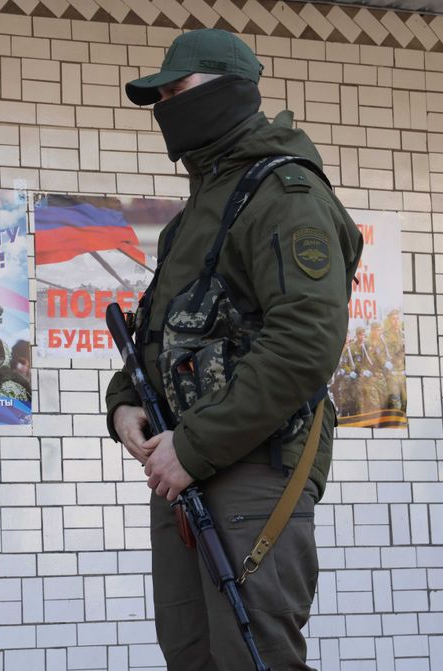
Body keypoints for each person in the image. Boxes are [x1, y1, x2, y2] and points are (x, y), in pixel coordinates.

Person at [104, 29, 363, 670]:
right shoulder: (198, 211)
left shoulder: (283, 194)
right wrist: (125, 404)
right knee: (192, 655)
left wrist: (195, 447)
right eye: (158, 95)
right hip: (183, 468)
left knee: (254, 657)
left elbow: (305, 342)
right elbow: (165, 333)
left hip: (252, 466)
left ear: (233, 90)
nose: (167, 104)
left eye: (178, 90)